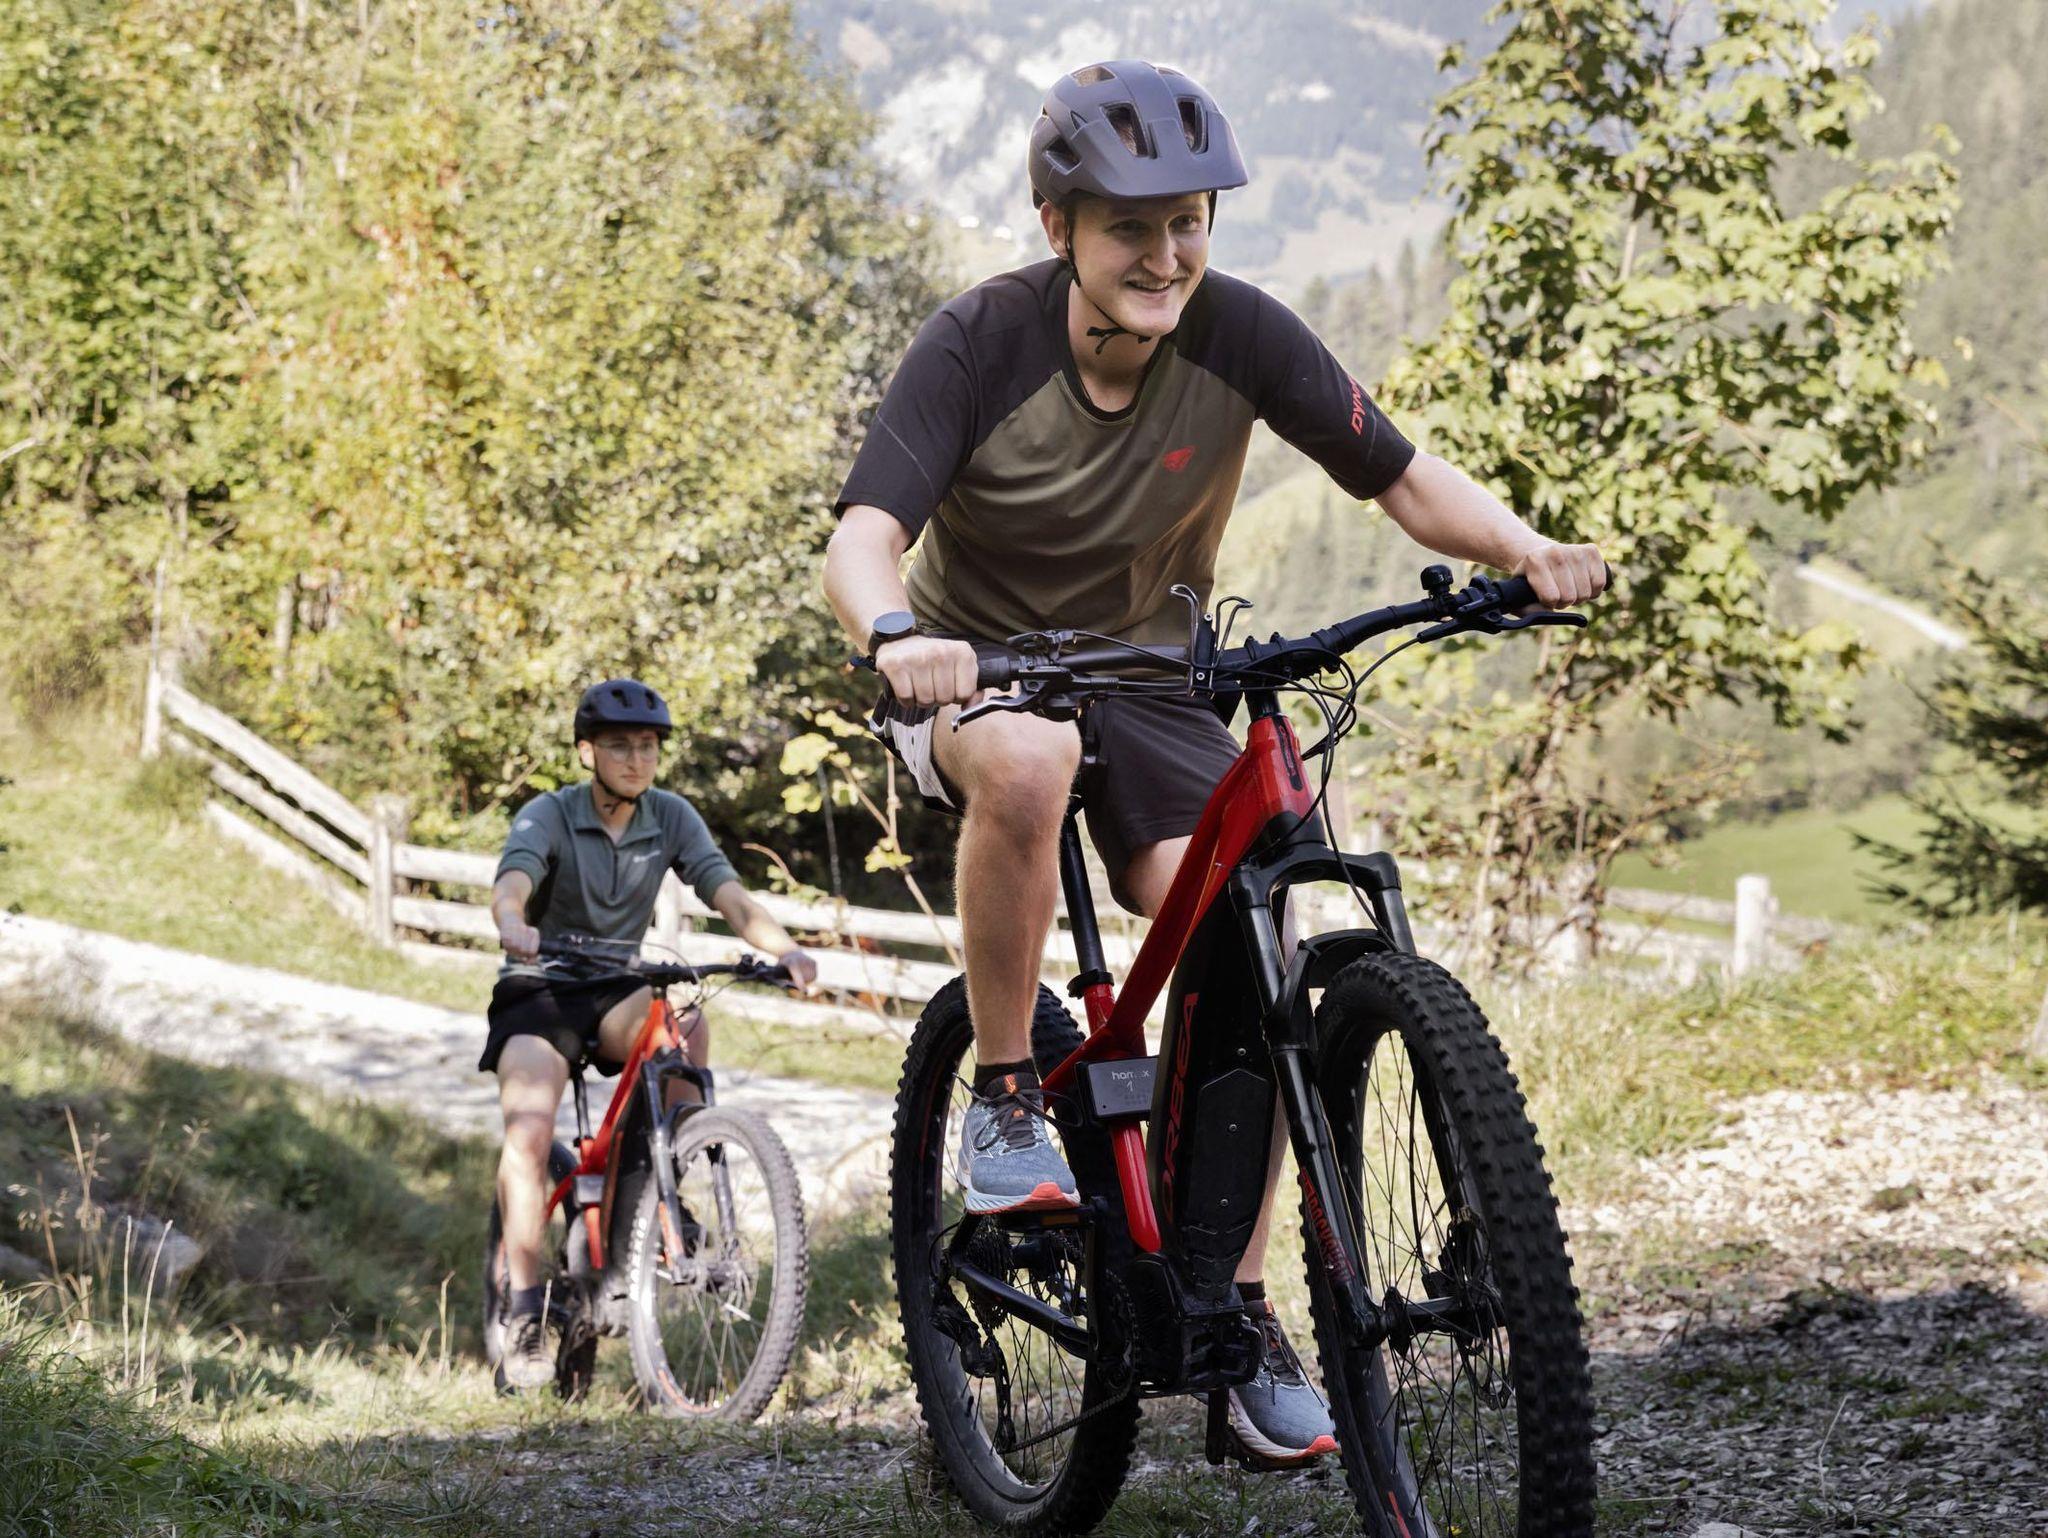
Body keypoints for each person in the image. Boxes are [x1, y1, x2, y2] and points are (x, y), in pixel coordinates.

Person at [823, 60, 1607, 1463]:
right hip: (977, 668)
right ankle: (1005, 1092)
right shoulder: (980, 341)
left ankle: (1232, 1302)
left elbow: (1399, 475)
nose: (1166, 255)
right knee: (1028, 761)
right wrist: (896, 634)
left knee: (1250, 903)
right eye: (1130, 227)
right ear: (1059, 227)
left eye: (1187, 222)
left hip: (1152, 673)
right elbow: (863, 536)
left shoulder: (1239, 329)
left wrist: (1522, 548)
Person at [481, 677, 819, 1391]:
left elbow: (728, 894)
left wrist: (785, 949)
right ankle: (523, 1311)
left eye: (647, 747)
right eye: (619, 746)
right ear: (586, 752)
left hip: (614, 988)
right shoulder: (550, 813)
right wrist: (513, 923)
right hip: (540, 988)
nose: (636, 760)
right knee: (530, 1132)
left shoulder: (668, 816)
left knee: (685, 1020)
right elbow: (514, 882)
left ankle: (664, 1177)